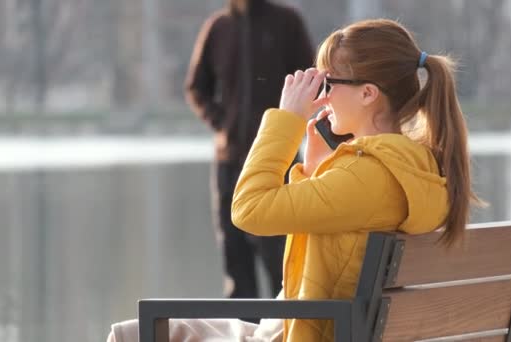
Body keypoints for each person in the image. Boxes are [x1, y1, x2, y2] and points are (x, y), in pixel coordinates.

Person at [107, 18, 482, 342]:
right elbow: (341, 239)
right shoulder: (418, 167)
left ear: (368, 93)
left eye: (330, 83)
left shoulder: (368, 175)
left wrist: (286, 120)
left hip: (307, 333)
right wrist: (316, 166)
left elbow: (248, 210)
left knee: (137, 332)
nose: (322, 95)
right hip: (330, 327)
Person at [184, 0, 314, 300]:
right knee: (235, 262)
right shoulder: (218, 28)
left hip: (279, 160)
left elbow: (310, 80)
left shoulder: (286, 22)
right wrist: (222, 124)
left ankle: (286, 330)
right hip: (229, 162)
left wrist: (290, 127)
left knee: (281, 262)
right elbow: (196, 87)